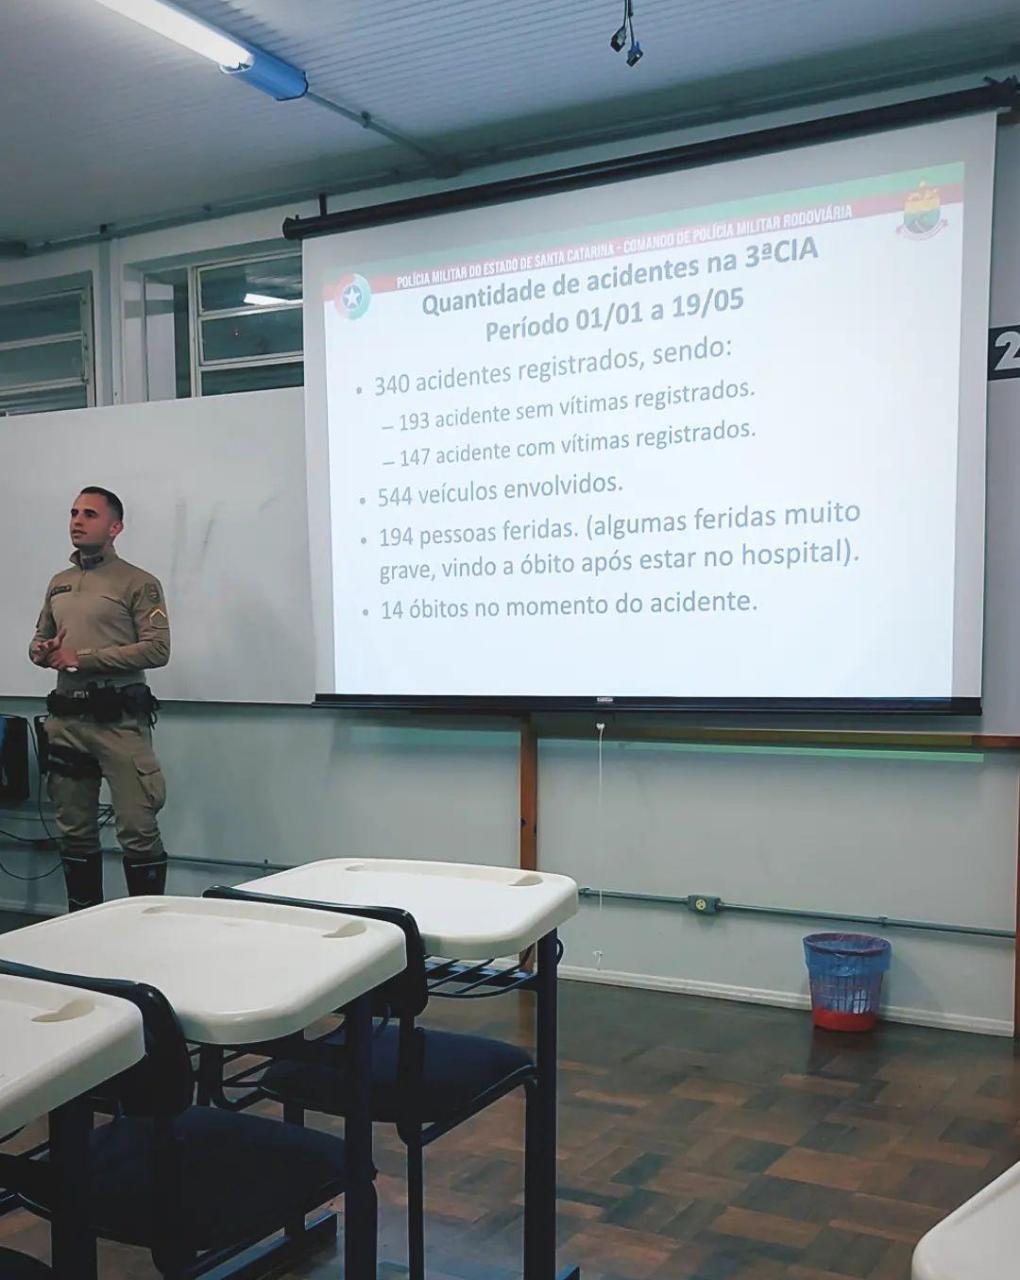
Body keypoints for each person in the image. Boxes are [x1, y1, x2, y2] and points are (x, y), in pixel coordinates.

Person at [29, 487, 170, 910]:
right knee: (74, 831)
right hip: (67, 723)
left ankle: (148, 924)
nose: (77, 520)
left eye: (89, 514)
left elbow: (157, 649)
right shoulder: (59, 583)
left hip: (119, 723)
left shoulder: (138, 582)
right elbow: (40, 640)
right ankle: (83, 924)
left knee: (137, 829)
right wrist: (41, 651)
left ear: (115, 527)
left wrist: (84, 658)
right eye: (74, 512)